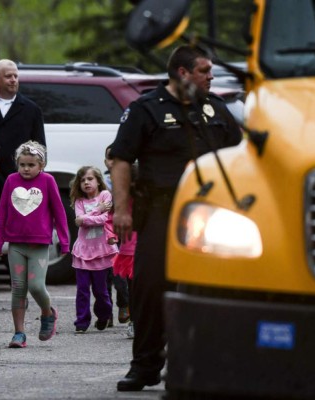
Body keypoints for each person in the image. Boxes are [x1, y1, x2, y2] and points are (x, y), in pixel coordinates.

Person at [110, 45, 243, 391]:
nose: (211, 77)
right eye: (204, 71)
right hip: (161, 212)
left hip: (214, 216)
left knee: (213, 291)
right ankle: (145, 366)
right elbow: (121, 159)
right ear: (182, 73)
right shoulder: (146, 109)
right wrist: (122, 210)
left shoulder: (217, 109)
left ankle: (203, 364)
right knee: (150, 288)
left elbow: (241, 156)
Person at [0, 140, 69, 348]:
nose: (26, 169)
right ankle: (19, 333)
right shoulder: (11, 180)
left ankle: (48, 313)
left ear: (41, 165)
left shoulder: (48, 181)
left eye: (31, 165)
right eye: (22, 165)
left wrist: (64, 241)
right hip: (16, 244)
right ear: (17, 164)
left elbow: (59, 212)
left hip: (39, 246)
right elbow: (2, 212)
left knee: (36, 286)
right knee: (18, 288)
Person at [69, 166, 118, 333]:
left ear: (98, 181)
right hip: (83, 251)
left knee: (101, 291)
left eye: (90, 179)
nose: (86, 182)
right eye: (82, 180)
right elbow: (80, 221)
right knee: (82, 290)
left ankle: (104, 315)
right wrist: (97, 211)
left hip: (102, 251)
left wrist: (87, 217)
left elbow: (105, 219)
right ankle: (81, 322)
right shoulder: (79, 202)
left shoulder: (105, 195)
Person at [0, 59, 46, 203]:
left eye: (15, 76)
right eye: (8, 76)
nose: (13, 80)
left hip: (20, 180)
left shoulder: (31, 109)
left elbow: (39, 147)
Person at [103, 145, 131, 326]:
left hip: (125, 234)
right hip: (105, 234)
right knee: (105, 276)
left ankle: (124, 304)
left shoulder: (131, 180)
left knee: (121, 275)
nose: (113, 161)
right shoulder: (102, 182)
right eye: (109, 157)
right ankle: (106, 313)